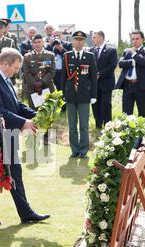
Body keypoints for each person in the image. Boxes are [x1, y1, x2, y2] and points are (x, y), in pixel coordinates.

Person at [0, 48, 51, 226]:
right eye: (15, 68)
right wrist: (25, 122)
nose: (17, 71)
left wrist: (36, 115)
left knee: (13, 173)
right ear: (4, 63)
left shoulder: (6, 79)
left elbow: (15, 104)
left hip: (8, 135)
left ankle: (25, 213)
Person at [62, 31, 98, 159]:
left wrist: (94, 95)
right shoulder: (67, 56)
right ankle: (74, 149)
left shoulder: (89, 56)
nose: (79, 42)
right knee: (72, 125)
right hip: (70, 95)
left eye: (81, 40)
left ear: (84, 41)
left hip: (84, 95)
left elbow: (93, 77)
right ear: (73, 41)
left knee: (84, 124)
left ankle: (83, 150)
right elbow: (63, 77)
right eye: (76, 39)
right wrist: (63, 94)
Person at [115, 30, 145, 118]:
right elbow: (120, 63)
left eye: (137, 39)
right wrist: (131, 62)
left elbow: (144, 62)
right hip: (128, 85)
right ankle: (127, 131)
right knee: (126, 113)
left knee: (142, 113)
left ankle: (141, 131)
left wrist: (134, 53)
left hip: (141, 86)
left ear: (142, 39)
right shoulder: (126, 51)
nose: (134, 41)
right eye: (133, 39)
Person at [89, 31, 118, 129]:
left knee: (106, 104)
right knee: (95, 104)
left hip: (106, 82)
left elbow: (112, 65)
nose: (93, 39)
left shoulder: (111, 50)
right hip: (94, 83)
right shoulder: (90, 50)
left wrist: (100, 74)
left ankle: (108, 125)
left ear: (101, 38)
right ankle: (98, 124)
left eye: (94, 37)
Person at [23, 34, 56, 108]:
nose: (37, 44)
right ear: (32, 44)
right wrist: (35, 84)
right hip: (32, 88)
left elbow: (52, 72)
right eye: (35, 42)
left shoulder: (50, 55)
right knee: (34, 113)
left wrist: (42, 82)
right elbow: (26, 72)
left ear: (43, 43)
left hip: (47, 87)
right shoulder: (27, 56)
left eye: (39, 42)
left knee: (48, 112)